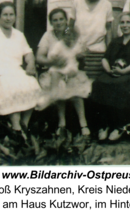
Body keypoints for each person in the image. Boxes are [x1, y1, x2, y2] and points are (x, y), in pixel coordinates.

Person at [0, 1, 43, 140]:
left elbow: (28, 53)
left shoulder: (18, 34)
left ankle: (23, 125)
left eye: (11, 14)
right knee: (11, 88)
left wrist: (30, 64)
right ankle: (17, 129)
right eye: (5, 14)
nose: (8, 18)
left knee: (33, 86)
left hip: (15, 70)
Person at [90, 12, 130, 142]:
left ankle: (119, 126)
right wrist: (109, 70)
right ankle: (104, 125)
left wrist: (123, 72)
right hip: (113, 73)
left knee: (121, 86)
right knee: (99, 83)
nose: (125, 25)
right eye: (122, 22)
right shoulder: (115, 41)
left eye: (128, 22)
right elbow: (105, 59)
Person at [36, 8, 91, 137]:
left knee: (75, 86)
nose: (59, 22)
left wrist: (81, 54)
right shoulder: (48, 36)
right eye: (55, 20)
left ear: (66, 20)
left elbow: (83, 50)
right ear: (51, 22)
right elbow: (39, 57)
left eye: (61, 19)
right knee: (60, 86)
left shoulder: (71, 34)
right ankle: (62, 123)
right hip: (55, 72)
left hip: (72, 72)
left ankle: (83, 123)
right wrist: (53, 62)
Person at [70, 0, 114, 78]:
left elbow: (109, 29)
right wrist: (71, 46)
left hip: (98, 49)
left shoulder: (106, 5)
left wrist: (109, 51)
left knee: (96, 79)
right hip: (79, 49)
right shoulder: (77, 3)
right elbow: (69, 27)